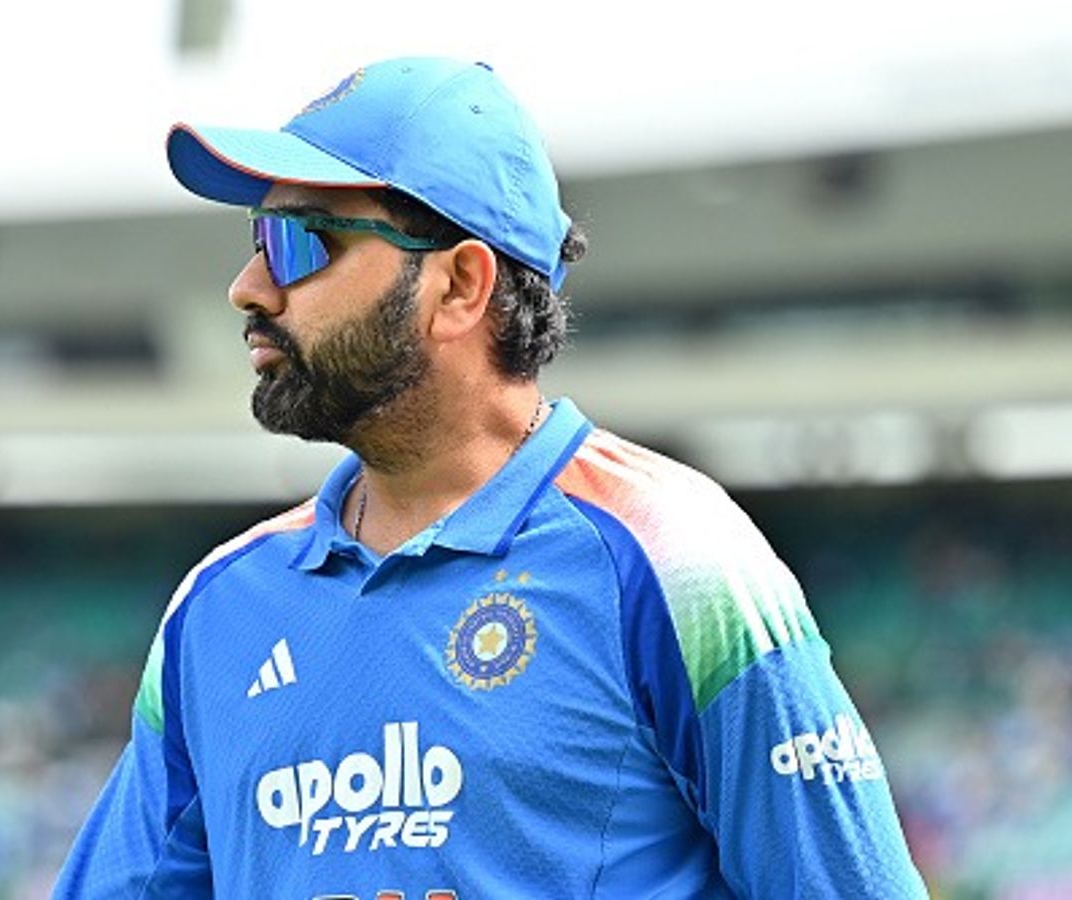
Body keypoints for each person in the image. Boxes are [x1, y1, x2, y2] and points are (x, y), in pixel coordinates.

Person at [55, 56, 926, 898]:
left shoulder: (676, 559)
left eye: (297, 241)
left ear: (461, 285)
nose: (248, 287)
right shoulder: (217, 607)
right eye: (256, 240)